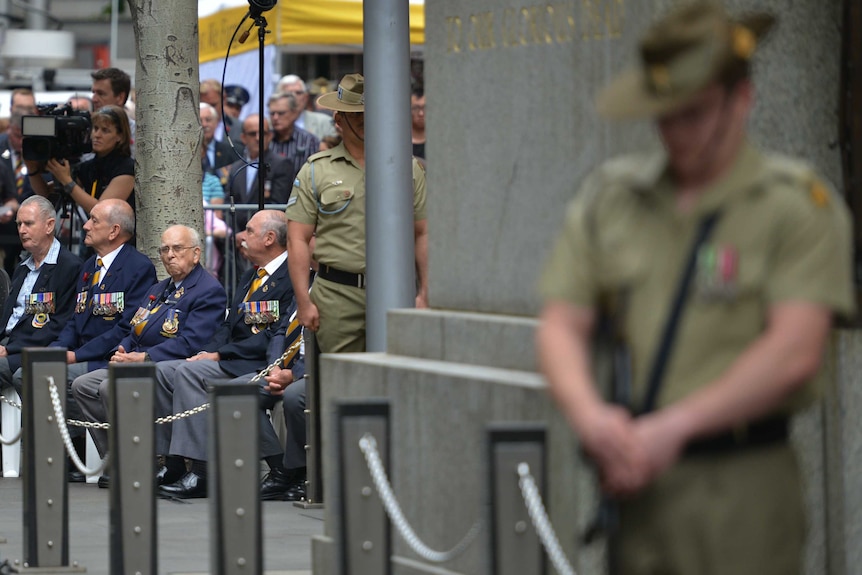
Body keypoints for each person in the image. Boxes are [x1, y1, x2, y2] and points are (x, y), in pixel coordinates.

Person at [535, 4, 855, 574]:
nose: (678, 133)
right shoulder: (614, 199)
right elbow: (562, 321)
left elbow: (795, 352)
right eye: (665, 116)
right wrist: (591, 418)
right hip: (636, 489)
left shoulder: (795, 206)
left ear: (742, 99)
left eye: (696, 113)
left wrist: (672, 428)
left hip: (743, 486)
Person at [155, 210, 296, 498]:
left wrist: (219, 356)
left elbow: (275, 334)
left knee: (188, 373)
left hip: (261, 362)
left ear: (270, 238)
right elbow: (228, 326)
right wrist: (210, 350)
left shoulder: (292, 274)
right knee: (164, 371)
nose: (241, 237)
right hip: (235, 358)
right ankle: (173, 463)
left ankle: (202, 471)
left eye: (249, 231)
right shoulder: (250, 275)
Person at [71, 225, 227, 485]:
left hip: (167, 365)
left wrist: (143, 358)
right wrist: (122, 349)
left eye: (177, 248)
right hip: (137, 361)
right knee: (83, 385)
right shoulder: (160, 288)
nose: (170, 255)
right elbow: (134, 328)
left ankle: (155, 460)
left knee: (111, 387)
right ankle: (117, 458)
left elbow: (190, 343)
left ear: (196, 254)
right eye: (164, 249)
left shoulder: (207, 289)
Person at [286, 73, 429, 354]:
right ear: (338, 121)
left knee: (396, 379)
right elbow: (297, 240)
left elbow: (424, 232)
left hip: (396, 290)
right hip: (337, 294)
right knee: (341, 383)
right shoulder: (317, 169)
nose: (364, 119)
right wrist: (303, 301)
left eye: (369, 112)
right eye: (356, 115)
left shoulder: (407, 166)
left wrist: (426, 293)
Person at [47, 199, 156, 480]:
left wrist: (74, 355)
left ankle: (79, 447)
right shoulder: (89, 266)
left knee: (59, 376)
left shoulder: (138, 267)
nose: (85, 225)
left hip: (107, 356)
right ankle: (74, 446)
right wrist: (58, 348)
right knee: (35, 371)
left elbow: (125, 328)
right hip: (83, 354)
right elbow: (76, 318)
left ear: (114, 230)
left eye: (94, 220)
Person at [0, 196, 82, 393]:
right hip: (7, 345)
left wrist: (9, 350)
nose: (21, 230)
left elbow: (58, 326)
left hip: (33, 351)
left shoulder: (69, 267)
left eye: (28, 223)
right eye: (19, 224)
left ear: (49, 226)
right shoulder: (22, 267)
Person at [27, 105, 135, 215]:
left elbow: (102, 211)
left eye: (105, 130)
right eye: (95, 128)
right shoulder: (89, 166)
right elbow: (47, 195)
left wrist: (67, 181)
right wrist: (32, 170)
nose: (97, 135)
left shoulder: (127, 168)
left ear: (120, 136)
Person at [226, 114, 293, 233]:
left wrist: (252, 232)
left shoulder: (281, 164)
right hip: (237, 238)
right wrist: (237, 234)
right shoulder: (236, 167)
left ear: (270, 136)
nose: (258, 138)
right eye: (252, 134)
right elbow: (228, 204)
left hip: (266, 234)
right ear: (243, 138)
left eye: (262, 133)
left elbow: (277, 204)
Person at [0, 89, 37, 276]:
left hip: (32, 233)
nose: (21, 141)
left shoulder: (41, 150)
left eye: (25, 136)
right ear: (9, 130)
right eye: (16, 135)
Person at [267, 92, 320, 181]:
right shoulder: (264, 140)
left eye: (281, 113)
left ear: (294, 113)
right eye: (272, 113)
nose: (275, 118)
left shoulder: (309, 141)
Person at [91, 67, 135, 156]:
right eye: (93, 93)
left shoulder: (139, 135)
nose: (94, 99)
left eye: (101, 94)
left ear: (120, 98)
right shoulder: (85, 129)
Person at [275, 74, 337, 139]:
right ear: (278, 98)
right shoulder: (269, 125)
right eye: (288, 94)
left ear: (305, 97)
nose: (294, 97)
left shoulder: (325, 122)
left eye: (298, 93)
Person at [410, 83, 426, 161]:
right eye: (416, 108)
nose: (421, 113)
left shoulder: (439, 140)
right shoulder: (400, 143)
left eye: (424, 108)